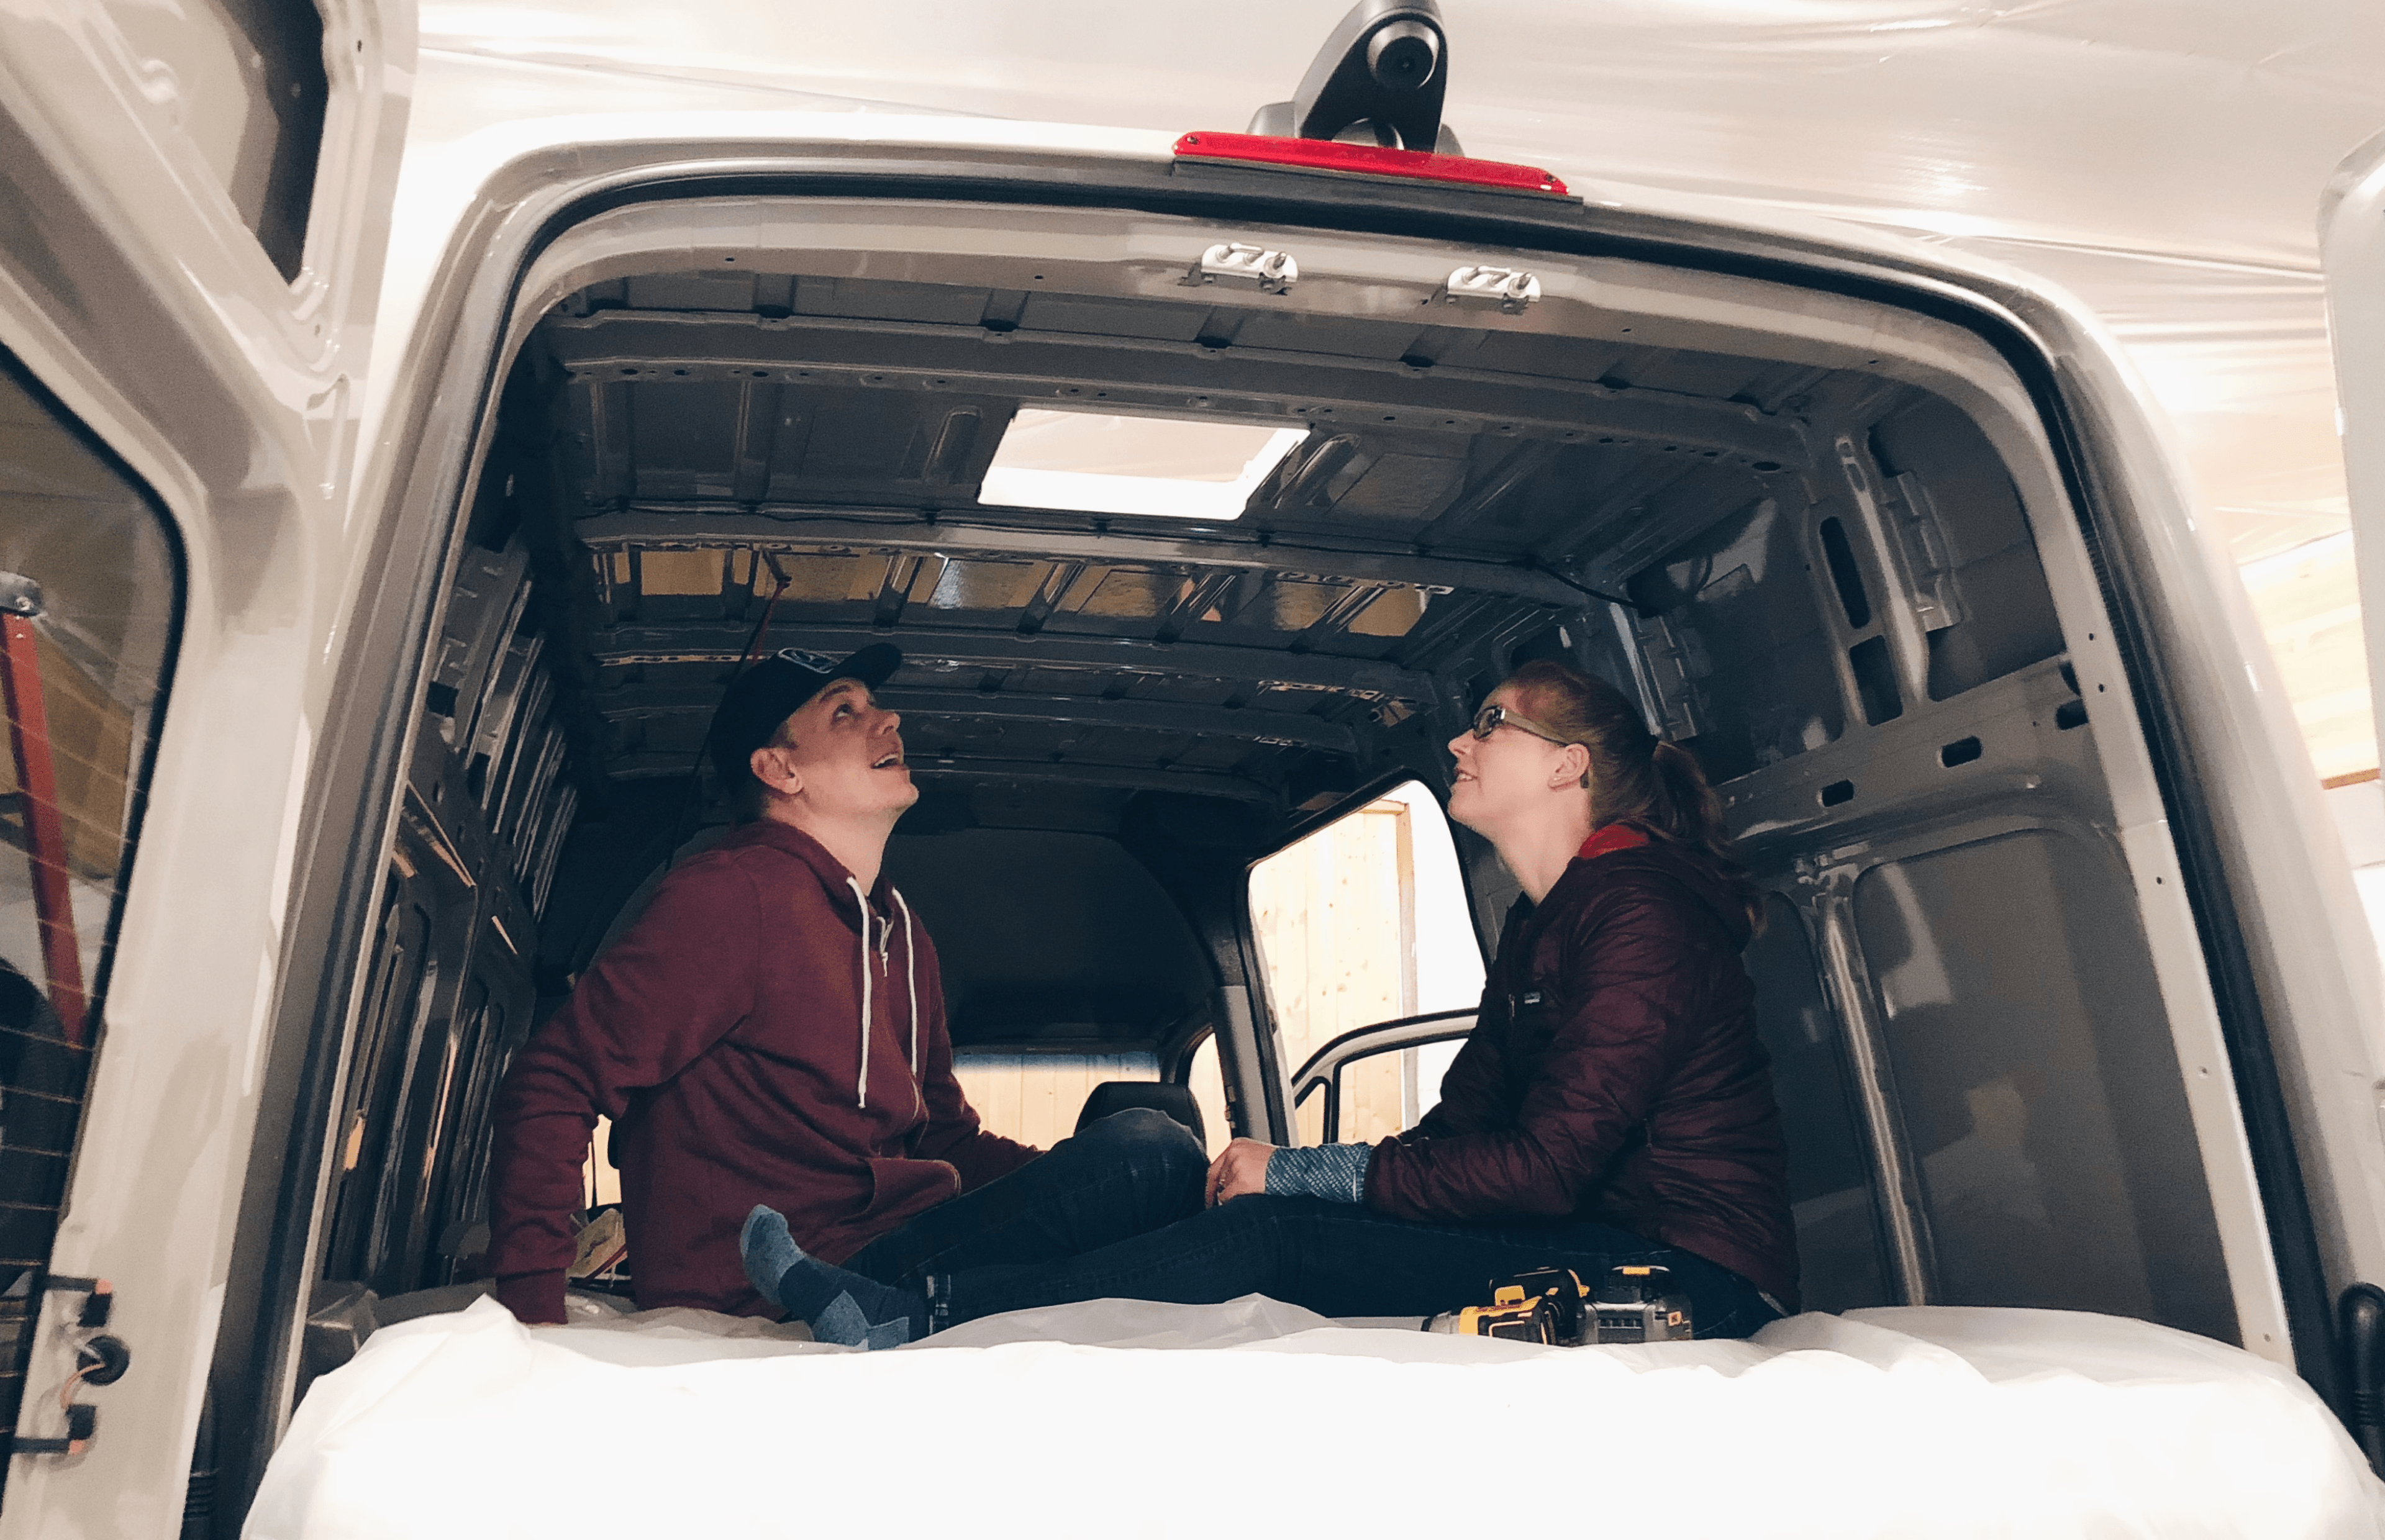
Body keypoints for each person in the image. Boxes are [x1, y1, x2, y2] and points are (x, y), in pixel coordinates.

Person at [741, 658, 1799, 1346]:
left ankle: (922, 1315)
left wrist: (1295, 1173)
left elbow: (1547, 1165)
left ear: (1568, 768)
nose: (1459, 746)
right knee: (1273, 1219)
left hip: (1683, 1275)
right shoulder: (1544, 923)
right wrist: (1297, 1182)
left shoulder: (1642, 914)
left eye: (1491, 727)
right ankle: (900, 1300)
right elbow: (1467, 1131)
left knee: (1271, 1241)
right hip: (1583, 1238)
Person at [484, 644, 1207, 1326]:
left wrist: (1080, 1181)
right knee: (1151, 1148)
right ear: (780, 769)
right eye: (844, 712)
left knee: (1186, 1194)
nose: (887, 719)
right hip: (779, 1282)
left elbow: (950, 1139)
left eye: (876, 706)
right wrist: (531, 1316)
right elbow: (554, 1081)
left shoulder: (899, 926)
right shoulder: (734, 896)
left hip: (899, 1246)